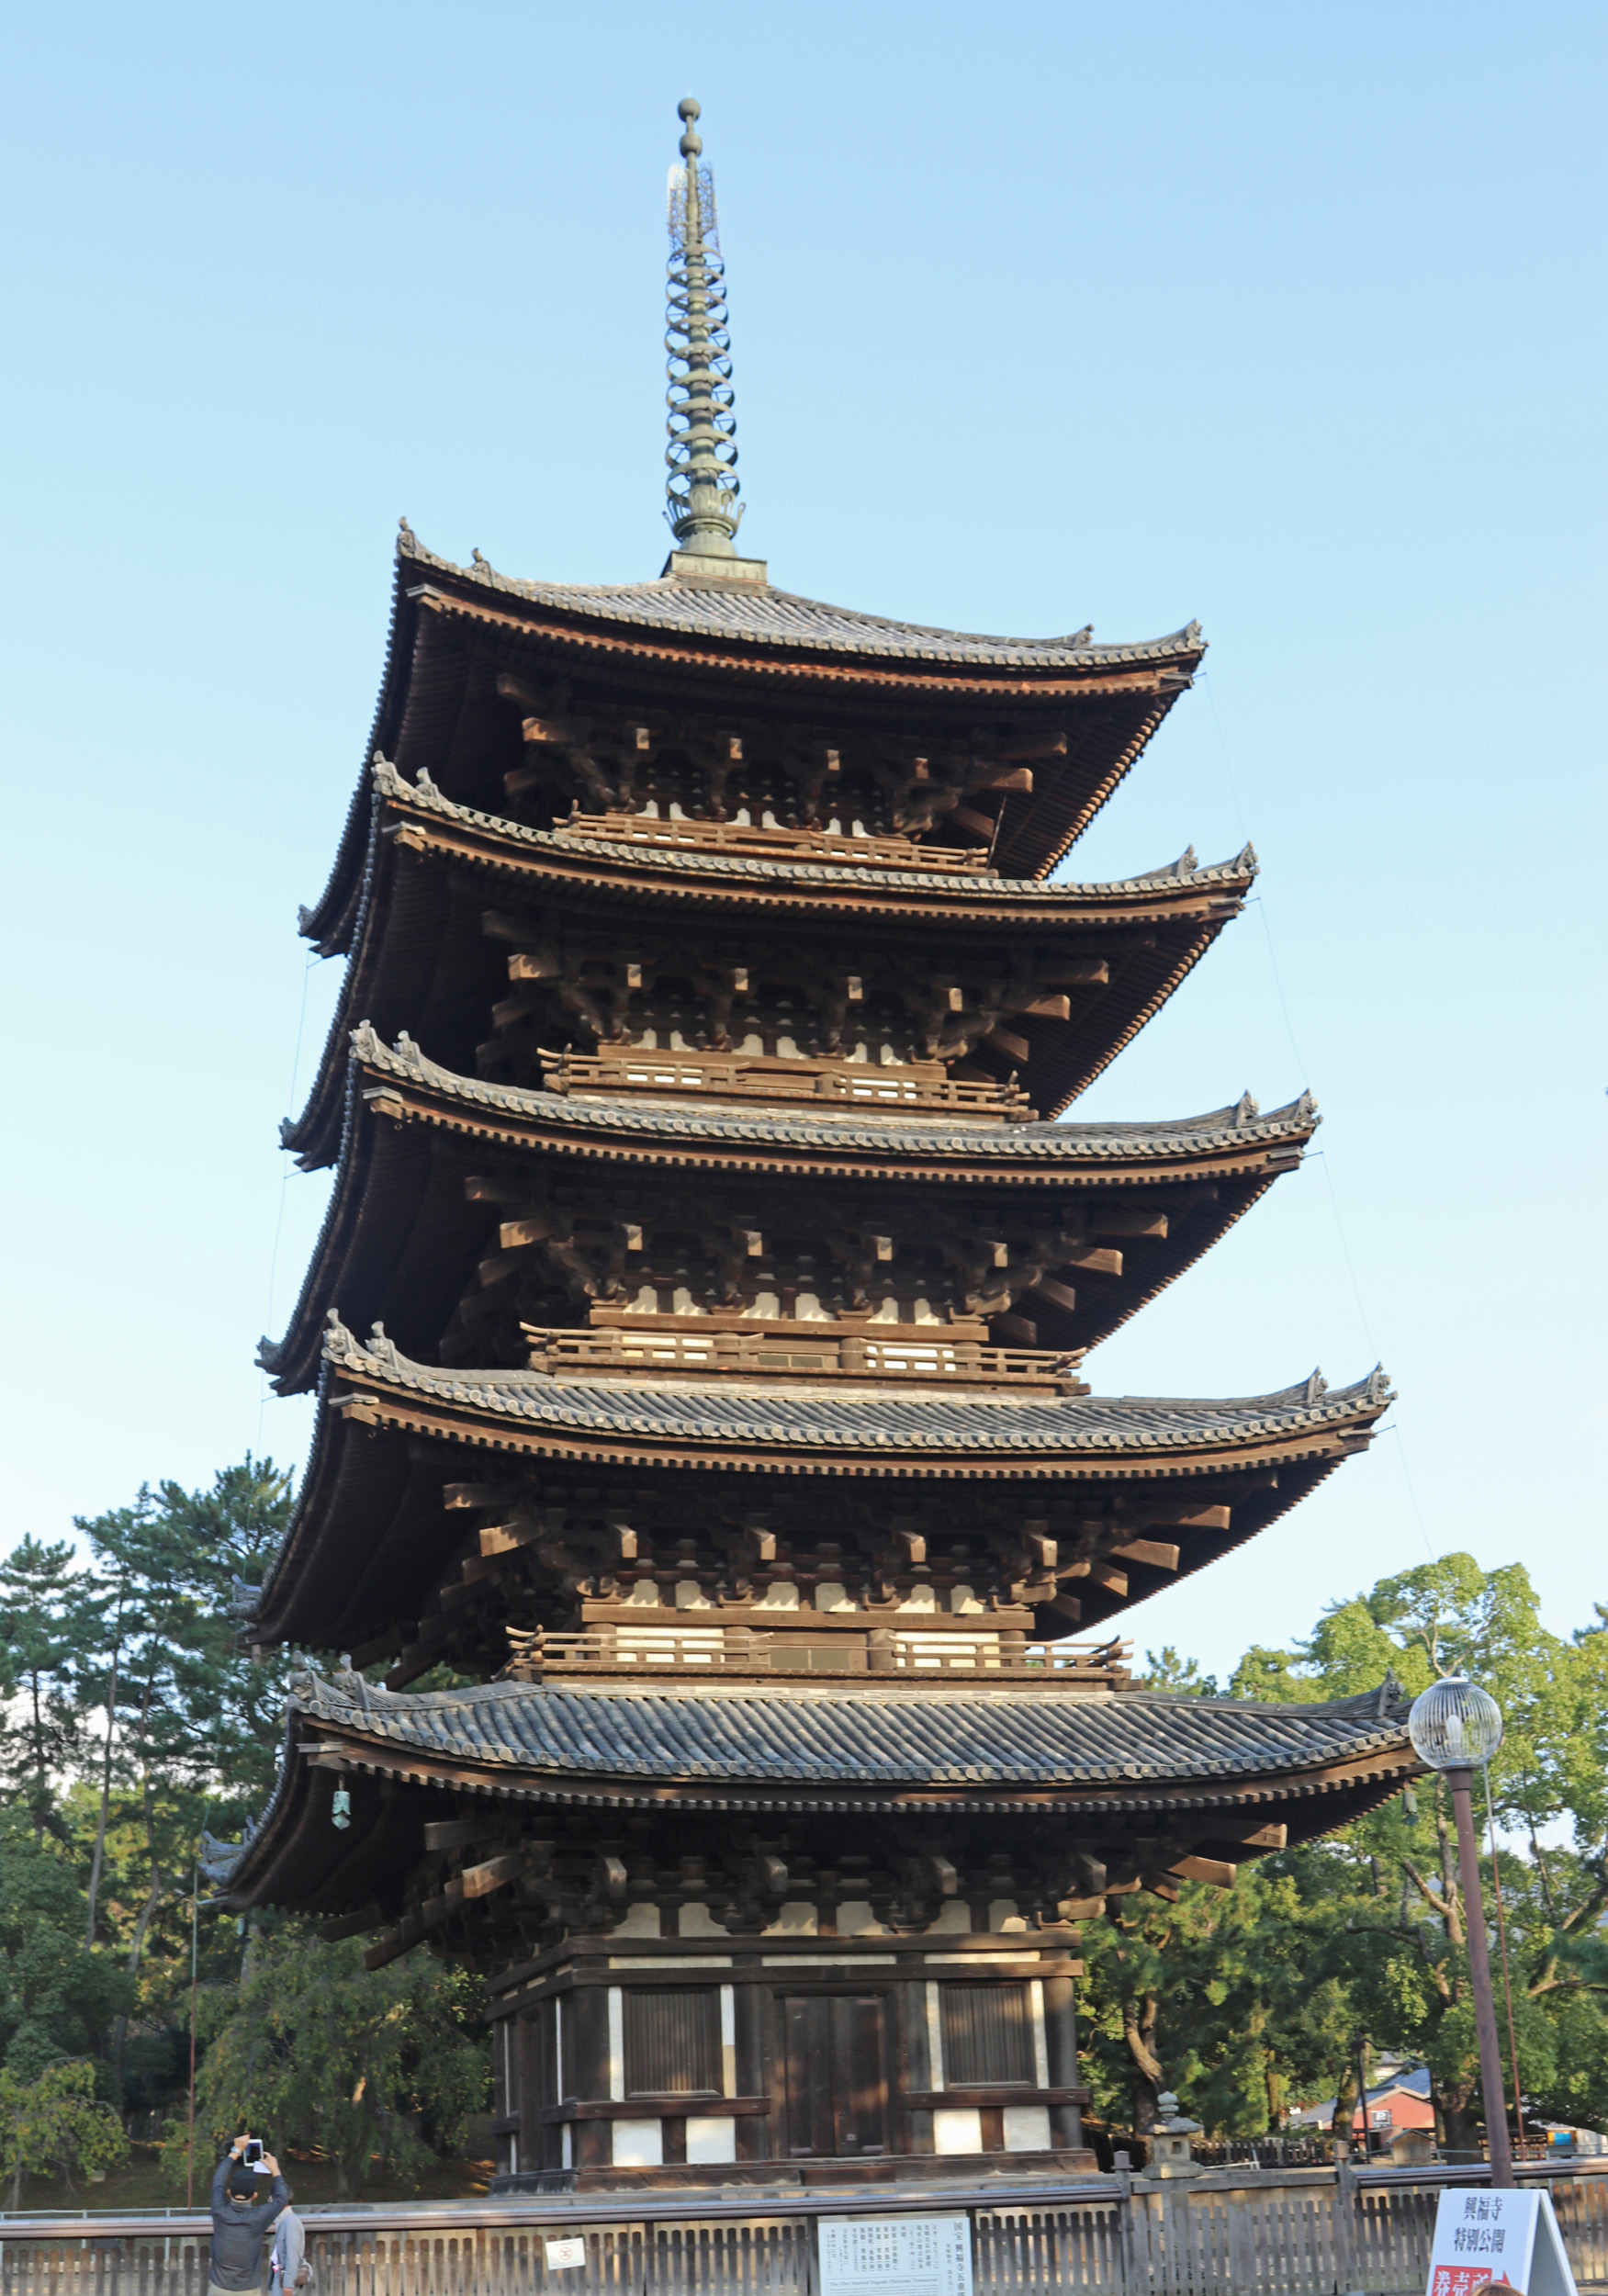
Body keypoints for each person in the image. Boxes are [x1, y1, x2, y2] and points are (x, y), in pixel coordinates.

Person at [208, 2134, 287, 2296]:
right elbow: (281, 2198)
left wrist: (236, 2150)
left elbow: (218, 2181)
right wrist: (275, 2170)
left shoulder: (219, 2210)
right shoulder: (258, 2217)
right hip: (248, 2290)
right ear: (255, 2195)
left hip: (219, 2288)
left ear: (229, 2192)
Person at [269, 2182, 310, 2295]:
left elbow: (292, 2257)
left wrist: (288, 2285)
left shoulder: (291, 2221)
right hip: (279, 2274)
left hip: (286, 2278)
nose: (269, 2202)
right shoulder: (283, 2220)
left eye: (271, 2198)